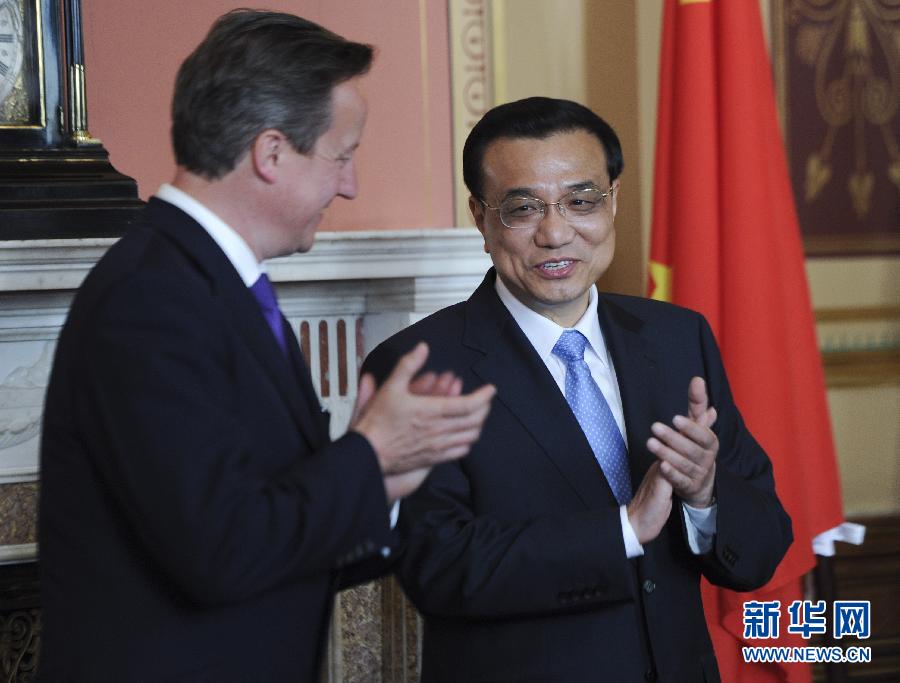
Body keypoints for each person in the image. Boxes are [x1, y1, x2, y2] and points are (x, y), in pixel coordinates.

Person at [37, 10, 495, 682]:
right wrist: (369, 454)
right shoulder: (151, 299)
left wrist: (383, 482)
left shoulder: (214, 284)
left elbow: (268, 529)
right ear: (271, 153)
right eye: (342, 155)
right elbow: (218, 552)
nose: (350, 184)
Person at [362, 97, 792, 682]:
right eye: (522, 208)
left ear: (613, 201)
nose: (556, 233)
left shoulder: (676, 339)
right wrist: (623, 529)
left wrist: (706, 495)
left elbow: (763, 547)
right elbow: (438, 568)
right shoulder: (420, 366)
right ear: (481, 218)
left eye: (581, 201)